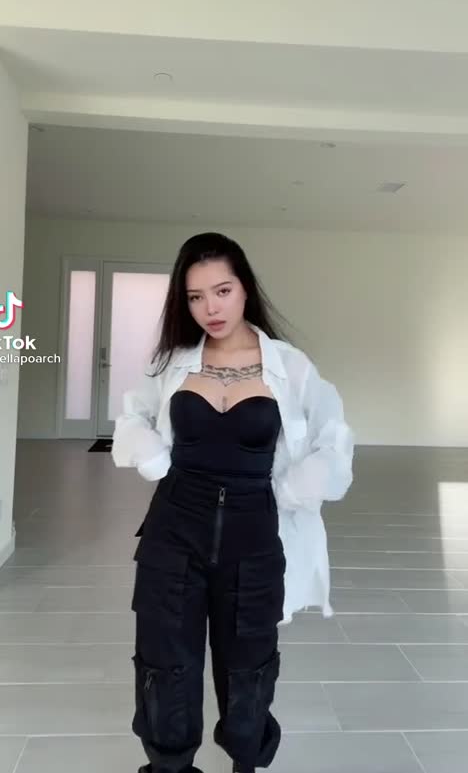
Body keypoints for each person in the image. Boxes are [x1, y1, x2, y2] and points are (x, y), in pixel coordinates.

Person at [111, 232, 354, 773]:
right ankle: (169, 766)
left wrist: (291, 490)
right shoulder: (173, 361)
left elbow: (334, 441)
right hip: (174, 529)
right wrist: (153, 458)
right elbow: (132, 416)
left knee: (249, 668)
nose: (210, 308)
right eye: (195, 297)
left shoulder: (290, 366)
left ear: (245, 288)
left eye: (222, 291)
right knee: (164, 665)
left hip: (254, 534)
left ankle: (246, 761)